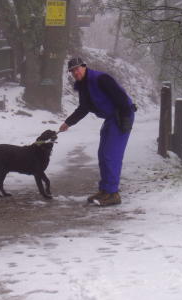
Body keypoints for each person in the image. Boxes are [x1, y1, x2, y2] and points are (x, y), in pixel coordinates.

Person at [59, 57, 136, 206]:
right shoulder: (83, 85)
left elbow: (120, 97)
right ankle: (105, 190)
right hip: (110, 118)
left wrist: (126, 119)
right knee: (102, 154)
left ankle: (113, 194)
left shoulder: (101, 78)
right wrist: (68, 123)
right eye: (72, 71)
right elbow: (83, 108)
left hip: (121, 115)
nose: (75, 72)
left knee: (111, 154)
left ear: (84, 66)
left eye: (77, 69)